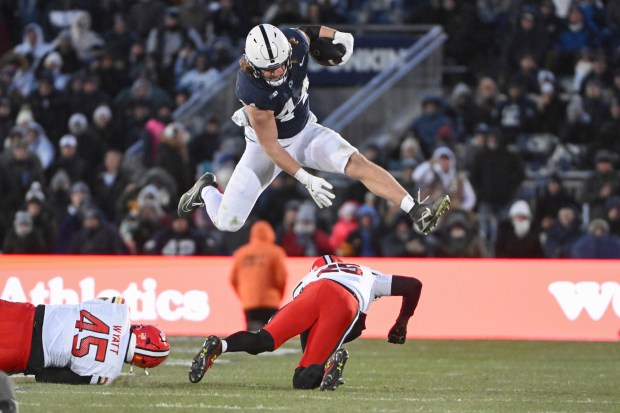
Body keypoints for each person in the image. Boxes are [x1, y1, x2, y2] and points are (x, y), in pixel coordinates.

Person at [177, 23, 450, 236]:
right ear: (253, 66)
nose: (277, 72)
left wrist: (342, 36)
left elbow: (309, 32)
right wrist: (306, 179)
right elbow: (272, 147)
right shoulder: (251, 90)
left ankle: (415, 210)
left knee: (356, 163)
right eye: (269, 70)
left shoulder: (292, 44)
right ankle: (206, 190)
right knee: (229, 222)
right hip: (266, 148)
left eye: (280, 65)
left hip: (306, 131)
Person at [188, 255, 423, 391]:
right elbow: (414, 285)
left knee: (263, 339)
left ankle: (219, 345)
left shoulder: (310, 277)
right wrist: (401, 323)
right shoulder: (367, 273)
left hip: (311, 293)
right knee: (302, 379)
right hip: (347, 299)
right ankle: (329, 363)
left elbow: (305, 329)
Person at [0, 297, 169, 385]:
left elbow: (97, 302)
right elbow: (47, 376)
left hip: (26, 315)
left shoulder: (121, 310)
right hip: (25, 354)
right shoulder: (108, 373)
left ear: (142, 330)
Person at [230, 220, 288, 331]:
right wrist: (278, 296)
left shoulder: (241, 253)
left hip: (249, 301)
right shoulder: (276, 252)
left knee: (251, 336)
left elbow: (233, 279)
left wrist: (244, 295)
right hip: (271, 301)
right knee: (271, 335)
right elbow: (281, 278)